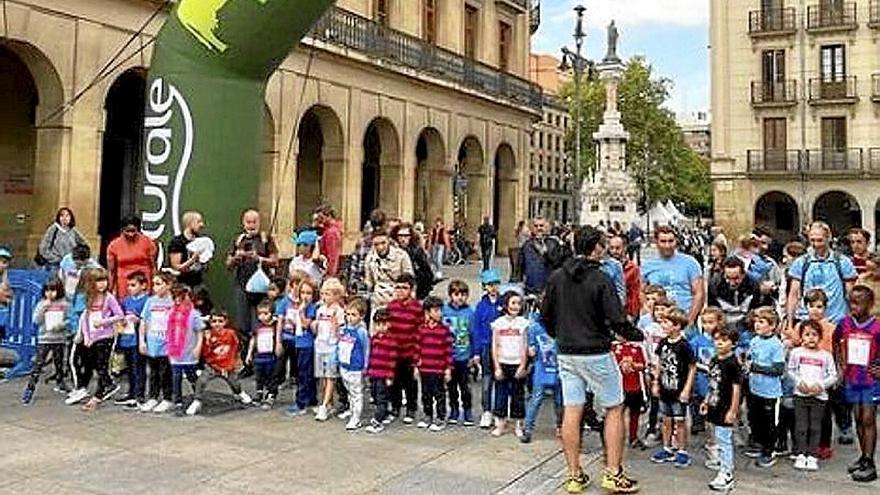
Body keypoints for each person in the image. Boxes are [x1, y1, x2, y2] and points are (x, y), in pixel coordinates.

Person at [541, 225, 643, 494]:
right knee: (614, 407)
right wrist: (635, 334)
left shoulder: (557, 276)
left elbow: (545, 317)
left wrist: (560, 334)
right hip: (595, 350)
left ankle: (574, 474)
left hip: (566, 351)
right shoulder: (601, 278)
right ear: (596, 248)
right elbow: (617, 318)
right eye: (603, 245)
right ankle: (613, 472)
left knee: (572, 409)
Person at [834, 285, 880, 482]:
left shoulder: (877, 327)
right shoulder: (844, 324)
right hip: (853, 378)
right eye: (850, 302)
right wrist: (840, 365)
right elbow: (835, 342)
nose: (853, 306)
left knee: (869, 417)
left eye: (858, 303)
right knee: (858, 418)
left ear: (869, 304)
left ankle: (870, 463)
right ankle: (863, 456)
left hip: (871, 380)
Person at [226, 209, 279, 373]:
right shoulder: (238, 239)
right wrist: (237, 257)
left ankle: (262, 363)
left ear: (259, 222)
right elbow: (228, 264)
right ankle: (246, 363)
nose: (251, 225)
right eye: (248, 222)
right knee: (242, 326)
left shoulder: (265, 239)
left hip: (262, 290)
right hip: (242, 287)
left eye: (254, 222)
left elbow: (275, 261)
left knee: (262, 326)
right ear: (243, 223)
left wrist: (259, 259)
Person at [787, 319, 838, 471]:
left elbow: (833, 375)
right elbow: (790, 370)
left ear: (820, 337)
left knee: (815, 427)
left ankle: (812, 455)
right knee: (801, 426)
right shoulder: (796, 353)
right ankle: (801, 454)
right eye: (807, 334)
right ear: (801, 337)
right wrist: (799, 382)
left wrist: (821, 385)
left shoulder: (826, 356)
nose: (811, 338)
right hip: (800, 396)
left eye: (814, 335)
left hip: (819, 397)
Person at [786, 221, 858, 330]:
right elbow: (793, 295)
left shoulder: (843, 262)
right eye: (812, 240)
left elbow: (850, 295)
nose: (816, 244)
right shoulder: (801, 262)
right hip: (807, 322)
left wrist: (852, 322)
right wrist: (790, 324)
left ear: (828, 238)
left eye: (820, 240)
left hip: (836, 322)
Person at [650, 308, 697, 468]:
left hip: (678, 389)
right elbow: (659, 363)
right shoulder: (663, 343)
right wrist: (656, 382)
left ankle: (682, 450)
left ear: (677, 326)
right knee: (666, 420)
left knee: (680, 421)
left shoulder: (684, 345)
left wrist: (686, 389)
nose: (662, 325)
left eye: (666, 322)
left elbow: (692, 367)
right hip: (664, 388)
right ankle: (667, 447)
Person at [76, 267, 124, 412]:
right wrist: (87, 336)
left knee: (102, 366)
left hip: (106, 336)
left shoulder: (108, 298)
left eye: (104, 281)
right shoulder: (88, 298)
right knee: (95, 366)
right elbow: (85, 318)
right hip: (93, 338)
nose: (102, 284)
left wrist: (104, 322)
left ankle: (105, 389)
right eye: (98, 281)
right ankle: (100, 393)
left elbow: (119, 315)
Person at [701, 324, 742, 492]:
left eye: (724, 340)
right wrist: (706, 400)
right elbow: (712, 383)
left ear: (733, 343)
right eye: (716, 339)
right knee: (718, 438)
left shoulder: (733, 363)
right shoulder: (715, 359)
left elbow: (737, 388)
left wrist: (733, 410)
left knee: (724, 440)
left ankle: (726, 472)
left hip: (726, 407)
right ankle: (722, 466)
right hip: (714, 404)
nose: (719, 343)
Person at [189, 310, 253, 415]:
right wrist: (208, 341)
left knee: (235, 383)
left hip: (228, 366)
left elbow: (237, 347)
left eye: (220, 321)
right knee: (201, 381)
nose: (217, 324)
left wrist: (237, 360)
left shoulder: (231, 334)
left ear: (225, 322)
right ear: (210, 323)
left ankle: (239, 393)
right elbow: (205, 353)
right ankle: (197, 400)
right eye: (214, 321)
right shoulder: (208, 335)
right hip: (213, 365)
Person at [641, 225, 705, 329]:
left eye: (671, 241)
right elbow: (642, 291)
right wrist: (649, 313)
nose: (667, 245)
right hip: (658, 323)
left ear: (676, 241)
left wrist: (690, 320)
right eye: (663, 241)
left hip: (683, 319)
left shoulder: (690, 263)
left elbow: (699, 293)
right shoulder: (647, 265)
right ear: (656, 242)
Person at [745, 306, 786, 468]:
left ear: (772, 325)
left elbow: (778, 369)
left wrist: (756, 368)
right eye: (756, 321)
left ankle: (770, 450)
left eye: (762, 322)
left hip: (770, 392)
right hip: (754, 388)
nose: (757, 325)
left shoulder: (776, 345)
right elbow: (750, 357)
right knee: (756, 419)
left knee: (770, 422)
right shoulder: (754, 340)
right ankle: (759, 444)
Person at [21, 279, 69, 404]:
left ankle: (61, 382)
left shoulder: (64, 303)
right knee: (38, 364)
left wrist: (62, 325)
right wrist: (44, 308)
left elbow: (70, 319)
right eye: (47, 290)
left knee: (59, 362)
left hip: (59, 338)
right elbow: (36, 320)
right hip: (44, 338)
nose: (50, 293)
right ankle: (30, 388)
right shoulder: (41, 303)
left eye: (53, 290)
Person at [491, 291, 529, 438]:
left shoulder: (523, 323)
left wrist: (523, 365)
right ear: (506, 304)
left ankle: (518, 424)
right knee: (500, 394)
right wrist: (497, 367)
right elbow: (495, 345)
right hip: (503, 362)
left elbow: (525, 346)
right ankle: (500, 422)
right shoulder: (498, 323)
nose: (516, 306)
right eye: (513, 303)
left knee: (518, 395)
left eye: (519, 303)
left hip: (517, 363)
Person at [521, 307, 562, 444]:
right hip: (542, 368)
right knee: (536, 398)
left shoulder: (561, 325)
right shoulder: (535, 327)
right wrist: (530, 347)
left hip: (558, 368)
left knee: (559, 400)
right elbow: (531, 351)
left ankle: (561, 425)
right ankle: (527, 428)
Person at [386, 274, 423, 424]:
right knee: (394, 381)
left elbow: (420, 331)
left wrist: (418, 353)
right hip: (394, 352)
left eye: (404, 288)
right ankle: (395, 407)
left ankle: (411, 408)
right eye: (398, 287)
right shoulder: (391, 306)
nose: (400, 291)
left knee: (410, 383)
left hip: (410, 352)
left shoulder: (417, 308)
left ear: (411, 289)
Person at [138, 272, 175, 413]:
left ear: (168, 285)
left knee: (165, 372)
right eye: (154, 284)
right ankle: (153, 397)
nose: (155, 287)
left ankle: (167, 398)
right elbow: (144, 321)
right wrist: (142, 341)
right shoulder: (150, 301)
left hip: (167, 344)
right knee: (153, 372)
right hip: (153, 343)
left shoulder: (173, 302)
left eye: (159, 284)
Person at [415, 296, 453, 431]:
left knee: (439, 394)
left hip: (438, 369)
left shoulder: (444, 330)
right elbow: (417, 349)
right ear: (427, 312)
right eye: (436, 310)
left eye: (440, 310)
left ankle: (441, 417)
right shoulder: (421, 330)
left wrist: (448, 369)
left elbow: (448, 351)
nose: (439, 313)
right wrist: (416, 366)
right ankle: (428, 415)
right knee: (426, 394)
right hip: (425, 369)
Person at [282, 277, 318, 416]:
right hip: (299, 342)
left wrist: (301, 311)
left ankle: (301, 403)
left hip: (307, 345)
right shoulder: (296, 305)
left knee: (304, 374)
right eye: (303, 292)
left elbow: (305, 324)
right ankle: (311, 400)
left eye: (308, 293)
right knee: (303, 372)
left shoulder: (311, 308)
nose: (305, 296)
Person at [442, 279, 476, 426]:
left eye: (463, 294)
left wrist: (474, 354)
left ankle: (467, 410)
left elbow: (473, 334)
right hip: (449, 356)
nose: (460, 297)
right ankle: (454, 410)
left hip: (464, 355)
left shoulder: (470, 312)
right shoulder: (445, 311)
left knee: (465, 387)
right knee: (451, 387)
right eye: (456, 294)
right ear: (451, 295)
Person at [166, 284, 205, 414]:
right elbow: (169, 331)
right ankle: (177, 401)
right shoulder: (171, 312)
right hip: (175, 352)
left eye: (181, 297)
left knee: (191, 375)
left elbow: (200, 332)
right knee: (176, 376)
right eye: (175, 297)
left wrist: (198, 347)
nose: (178, 301)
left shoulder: (194, 314)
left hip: (189, 351)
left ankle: (198, 396)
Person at [113, 271, 149, 408]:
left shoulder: (146, 301)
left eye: (133, 285)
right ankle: (131, 393)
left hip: (137, 340)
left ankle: (139, 394)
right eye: (128, 285)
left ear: (143, 286)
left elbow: (148, 320)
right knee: (128, 368)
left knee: (138, 368)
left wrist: (138, 320)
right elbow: (119, 316)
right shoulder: (125, 301)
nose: (129, 288)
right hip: (126, 338)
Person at [312, 278, 346, 421]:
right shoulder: (320, 310)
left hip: (332, 347)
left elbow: (341, 333)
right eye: (323, 294)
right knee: (322, 377)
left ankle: (324, 406)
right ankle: (328, 402)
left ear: (337, 295)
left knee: (330, 376)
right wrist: (314, 325)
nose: (325, 297)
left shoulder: (339, 311)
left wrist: (336, 326)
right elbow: (316, 329)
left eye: (329, 294)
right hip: (320, 346)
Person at [475, 269, 504, 429]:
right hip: (486, 346)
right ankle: (486, 411)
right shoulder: (481, 306)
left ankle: (499, 411)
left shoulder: (503, 303)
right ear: (484, 287)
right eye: (489, 285)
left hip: (502, 347)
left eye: (495, 284)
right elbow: (477, 329)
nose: (493, 288)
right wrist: (477, 352)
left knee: (501, 380)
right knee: (487, 380)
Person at [708, 257, 769, 334]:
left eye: (736, 278)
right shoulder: (714, 285)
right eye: (728, 278)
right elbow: (712, 309)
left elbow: (758, 309)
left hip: (747, 327)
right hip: (723, 328)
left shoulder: (753, 285)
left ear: (743, 274)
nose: (732, 283)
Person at [338, 297, 370, 431]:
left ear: (361, 316)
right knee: (350, 391)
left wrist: (365, 366)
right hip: (345, 365)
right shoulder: (344, 329)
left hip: (356, 367)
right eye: (348, 314)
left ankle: (356, 418)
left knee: (357, 392)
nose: (350, 318)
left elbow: (366, 348)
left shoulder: (361, 332)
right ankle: (352, 410)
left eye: (354, 315)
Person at [106, 216, 157, 298]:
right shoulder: (114, 246)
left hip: (144, 281)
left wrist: (155, 286)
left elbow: (153, 267)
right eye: (127, 231)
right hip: (123, 282)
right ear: (122, 230)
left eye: (133, 231)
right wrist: (110, 290)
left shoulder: (148, 243)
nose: (130, 234)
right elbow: (111, 271)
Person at [364, 309, 397, 434]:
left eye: (384, 324)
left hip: (384, 374)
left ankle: (378, 421)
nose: (381, 327)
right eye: (378, 324)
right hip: (374, 373)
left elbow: (392, 360)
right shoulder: (374, 339)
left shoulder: (391, 341)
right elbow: (370, 355)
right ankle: (385, 413)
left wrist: (390, 376)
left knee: (381, 397)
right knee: (375, 395)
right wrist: (368, 370)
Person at [613, 331, 647, 450]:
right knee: (617, 414)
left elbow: (643, 365)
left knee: (635, 414)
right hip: (618, 387)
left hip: (634, 387)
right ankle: (617, 438)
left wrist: (632, 365)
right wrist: (620, 365)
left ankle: (633, 437)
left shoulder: (636, 348)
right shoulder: (612, 348)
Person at [365, 228, 414, 311]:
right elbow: (370, 283)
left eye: (383, 243)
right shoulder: (370, 259)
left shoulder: (401, 255)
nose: (380, 247)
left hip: (398, 300)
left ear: (388, 241)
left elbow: (410, 280)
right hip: (378, 301)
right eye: (376, 244)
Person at [518, 216, 566, 295]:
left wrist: (546, 252)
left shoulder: (553, 243)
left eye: (541, 226)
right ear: (532, 228)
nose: (538, 228)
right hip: (531, 289)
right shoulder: (526, 246)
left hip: (549, 289)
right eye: (536, 226)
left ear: (547, 227)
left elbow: (558, 264)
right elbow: (520, 267)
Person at [36, 207, 87, 272]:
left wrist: (77, 258)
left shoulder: (73, 230)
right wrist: (56, 259)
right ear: (58, 218)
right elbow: (43, 248)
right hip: (55, 265)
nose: (64, 218)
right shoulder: (53, 229)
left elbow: (84, 245)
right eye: (62, 215)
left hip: (70, 265)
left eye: (67, 216)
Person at [167, 211, 207, 290]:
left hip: (198, 284)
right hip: (182, 285)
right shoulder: (177, 242)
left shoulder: (200, 241)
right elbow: (176, 267)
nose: (202, 225)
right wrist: (192, 260)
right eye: (198, 222)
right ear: (190, 223)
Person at [394, 223, 435, 300]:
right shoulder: (392, 251)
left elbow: (427, 272)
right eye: (400, 236)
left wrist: (422, 293)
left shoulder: (416, 251)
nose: (403, 239)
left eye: (406, 236)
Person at [609, 234, 640, 318]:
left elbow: (634, 293)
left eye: (617, 248)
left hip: (626, 312)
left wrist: (632, 314)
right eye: (611, 248)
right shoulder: (606, 267)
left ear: (624, 248)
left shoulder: (632, 268)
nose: (614, 251)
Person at [315, 205, 343, 277]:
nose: (320, 220)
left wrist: (330, 273)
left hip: (328, 268)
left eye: (321, 218)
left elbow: (332, 255)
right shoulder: (330, 230)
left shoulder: (331, 232)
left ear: (329, 216)